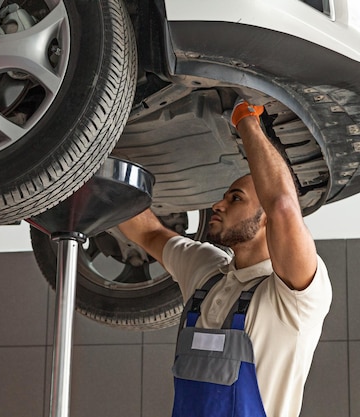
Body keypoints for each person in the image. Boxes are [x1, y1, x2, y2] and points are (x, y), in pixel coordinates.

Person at [118, 100, 332, 417]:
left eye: (235, 198)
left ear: (264, 219)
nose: (217, 205)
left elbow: (284, 206)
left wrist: (245, 117)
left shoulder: (294, 297)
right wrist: (89, 163)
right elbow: (148, 233)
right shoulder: (206, 270)